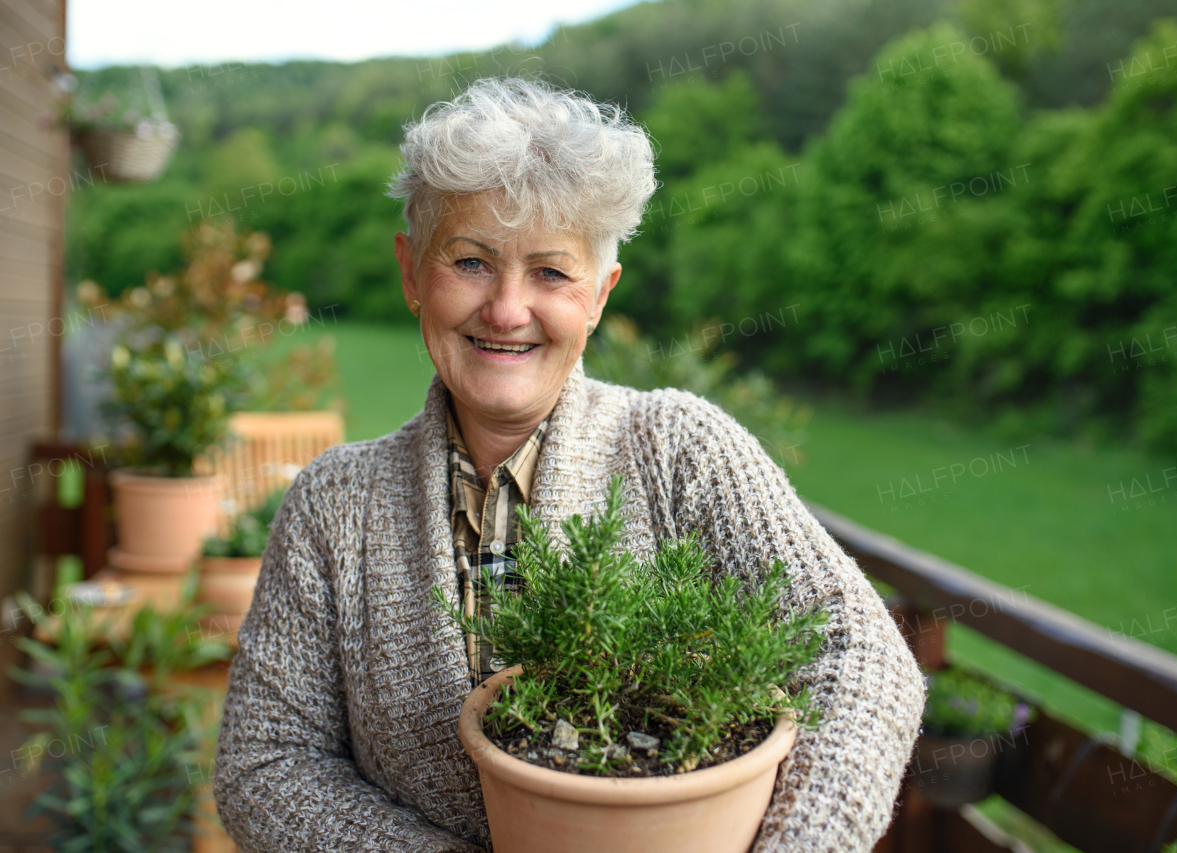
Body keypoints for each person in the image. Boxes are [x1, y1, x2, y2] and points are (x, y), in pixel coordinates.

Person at [214, 76, 924, 852]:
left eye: (551, 272)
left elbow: (858, 653)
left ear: (599, 295)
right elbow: (264, 764)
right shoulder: (332, 504)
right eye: (471, 262)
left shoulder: (679, 450)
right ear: (413, 271)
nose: (508, 308)